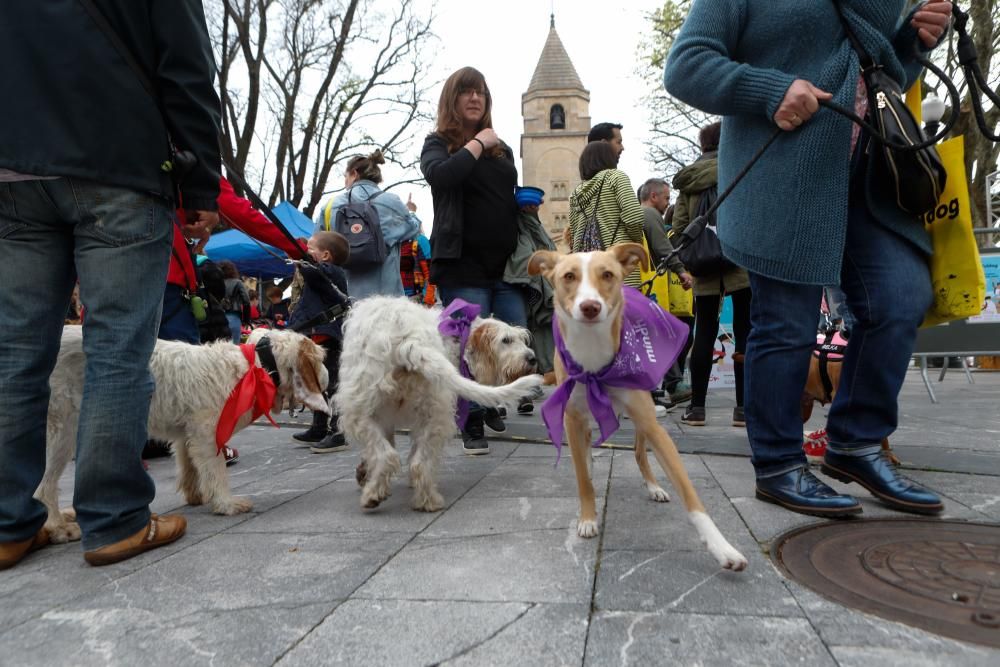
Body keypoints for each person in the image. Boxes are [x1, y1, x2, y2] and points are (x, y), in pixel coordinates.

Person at [664, 0, 951, 517]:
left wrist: (913, 43)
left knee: (901, 297)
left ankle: (855, 444)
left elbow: (879, 76)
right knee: (785, 323)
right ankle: (777, 465)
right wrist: (769, 89)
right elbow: (686, 65)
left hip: (870, 176)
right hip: (783, 178)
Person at [0, 0, 221, 569]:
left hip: (13, 165)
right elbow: (186, 61)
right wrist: (198, 182)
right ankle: (114, 517)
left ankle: (7, 523)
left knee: (16, 355)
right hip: (116, 159)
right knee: (118, 348)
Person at [420, 66, 527, 455]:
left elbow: (500, 195)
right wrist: (478, 143)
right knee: (468, 346)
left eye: (481, 92)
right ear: (453, 99)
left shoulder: (503, 150)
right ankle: (472, 422)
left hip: (506, 264)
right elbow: (442, 178)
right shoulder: (439, 143)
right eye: (466, 91)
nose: (475, 98)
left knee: (514, 335)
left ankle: (490, 398)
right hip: (461, 263)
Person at [670, 122, 752, 428]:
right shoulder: (739, 167)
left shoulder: (688, 180)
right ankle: (743, 409)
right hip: (739, 260)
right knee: (745, 332)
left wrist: (693, 254)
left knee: (704, 331)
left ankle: (697, 408)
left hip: (703, 266)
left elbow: (679, 227)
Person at [316, 150, 420, 300]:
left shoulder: (331, 206)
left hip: (345, 301)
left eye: (345, 176)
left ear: (354, 173)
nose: (345, 182)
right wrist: (411, 212)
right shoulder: (391, 202)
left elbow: (316, 245)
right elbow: (414, 230)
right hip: (387, 301)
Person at [288, 231, 351, 453]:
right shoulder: (319, 271)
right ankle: (319, 425)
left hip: (329, 337)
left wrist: (301, 258)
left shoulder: (330, 272)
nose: (306, 253)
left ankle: (338, 430)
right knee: (314, 382)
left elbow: (313, 273)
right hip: (316, 335)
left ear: (325, 256)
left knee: (332, 384)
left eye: (310, 248)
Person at [638, 178, 694, 409]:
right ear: (653, 196)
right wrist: (681, 271)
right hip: (648, 286)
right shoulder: (650, 215)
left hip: (637, 284)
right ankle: (673, 384)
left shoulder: (636, 214)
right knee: (658, 334)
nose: (666, 203)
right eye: (666, 198)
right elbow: (663, 249)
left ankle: (656, 389)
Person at [568, 141, 645, 287]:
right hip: (617, 265)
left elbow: (573, 235)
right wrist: (635, 243)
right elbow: (634, 217)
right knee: (626, 307)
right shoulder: (616, 177)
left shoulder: (575, 194)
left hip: (587, 272)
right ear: (608, 158)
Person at [400, 230, 436, 306]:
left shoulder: (419, 239)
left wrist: (428, 300)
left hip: (415, 300)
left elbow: (430, 273)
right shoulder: (387, 241)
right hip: (390, 299)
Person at [219, 260, 251, 344]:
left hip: (219, 319)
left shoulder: (217, 283)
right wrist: (246, 320)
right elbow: (246, 302)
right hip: (233, 317)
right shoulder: (238, 283)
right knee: (234, 349)